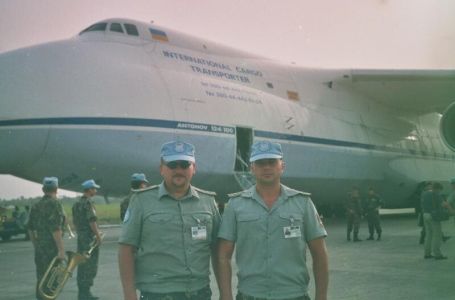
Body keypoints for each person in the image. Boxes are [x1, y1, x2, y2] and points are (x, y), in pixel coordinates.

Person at [218, 140, 328, 300]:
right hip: (250, 295)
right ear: (252, 168)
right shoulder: (236, 205)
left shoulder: (303, 203)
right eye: (261, 163)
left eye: (272, 162)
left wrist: (322, 297)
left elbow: (320, 255)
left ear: (282, 166)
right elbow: (223, 256)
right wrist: (226, 296)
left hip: (294, 295)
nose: (267, 167)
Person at [118, 141, 221, 300]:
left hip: (199, 293)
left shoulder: (208, 202)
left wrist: (225, 293)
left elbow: (218, 251)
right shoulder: (141, 201)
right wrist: (129, 295)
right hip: (158, 295)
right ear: (161, 168)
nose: (178, 170)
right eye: (172, 165)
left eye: (184, 164)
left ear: (194, 168)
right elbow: (126, 250)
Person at [27, 177, 65, 300]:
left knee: (41, 279)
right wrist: (61, 250)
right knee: (52, 281)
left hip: (40, 248)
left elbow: (30, 229)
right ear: (56, 189)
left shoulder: (35, 206)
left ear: (43, 189)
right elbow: (56, 229)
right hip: (52, 249)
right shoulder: (55, 204)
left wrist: (36, 245)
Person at [72, 179, 103, 300]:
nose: (95, 190)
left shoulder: (76, 204)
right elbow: (92, 221)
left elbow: (75, 222)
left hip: (81, 238)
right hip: (89, 239)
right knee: (90, 265)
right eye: (94, 188)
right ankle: (86, 294)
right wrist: (98, 236)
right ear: (89, 190)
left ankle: (82, 293)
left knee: (82, 265)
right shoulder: (88, 203)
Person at [421, 182, 447, 260]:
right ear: (437, 189)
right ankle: (437, 254)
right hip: (433, 216)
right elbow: (443, 204)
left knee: (428, 235)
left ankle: (427, 253)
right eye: (440, 190)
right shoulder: (436, 195)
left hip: (425, 215)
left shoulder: (424, 193)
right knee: (437, 235)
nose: (440, 192)